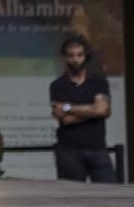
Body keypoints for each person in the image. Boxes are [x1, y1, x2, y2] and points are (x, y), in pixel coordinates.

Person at [49, 35, 117, 183]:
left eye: (79, 55)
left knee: (110, 193)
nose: (75, 59)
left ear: (86, 56)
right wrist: (93, 111)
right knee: (72, 199)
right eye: (71, 55)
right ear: (65, 57)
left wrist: (68, 107)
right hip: (69, 150)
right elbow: (66, 119)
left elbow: (103, 110)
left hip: (98, 147)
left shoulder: (98, 81)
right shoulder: (58, 85)